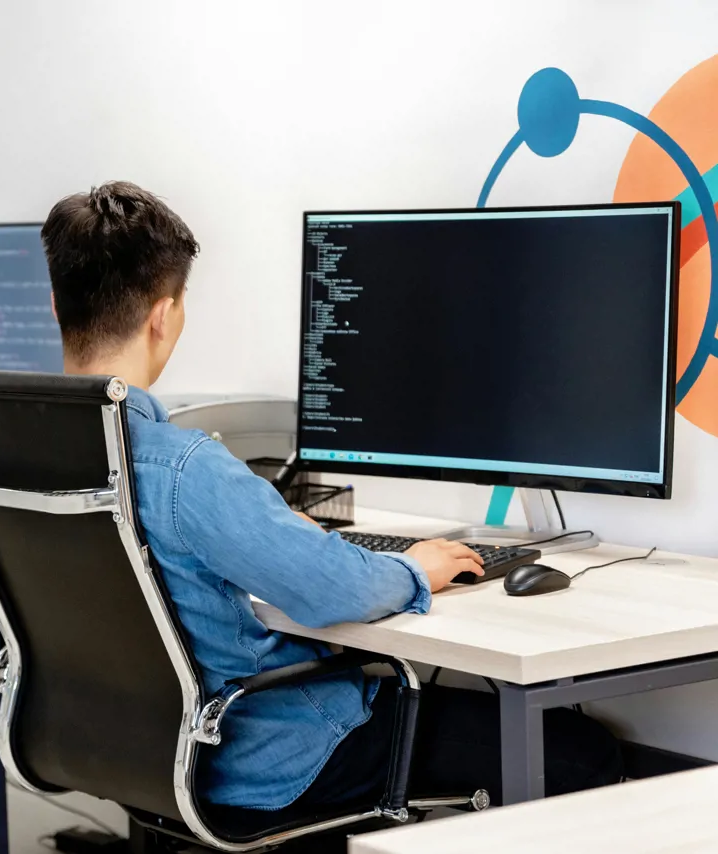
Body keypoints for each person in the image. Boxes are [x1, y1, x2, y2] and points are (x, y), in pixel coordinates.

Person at [40, 182, 622, 815]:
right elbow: (329, 590)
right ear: (164, 315)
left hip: (128, 753)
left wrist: (272, 526)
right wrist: (414, 567)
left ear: (54, 306)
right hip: (263, 759)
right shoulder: (183, 469)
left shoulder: (15, 455)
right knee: (579, 750)